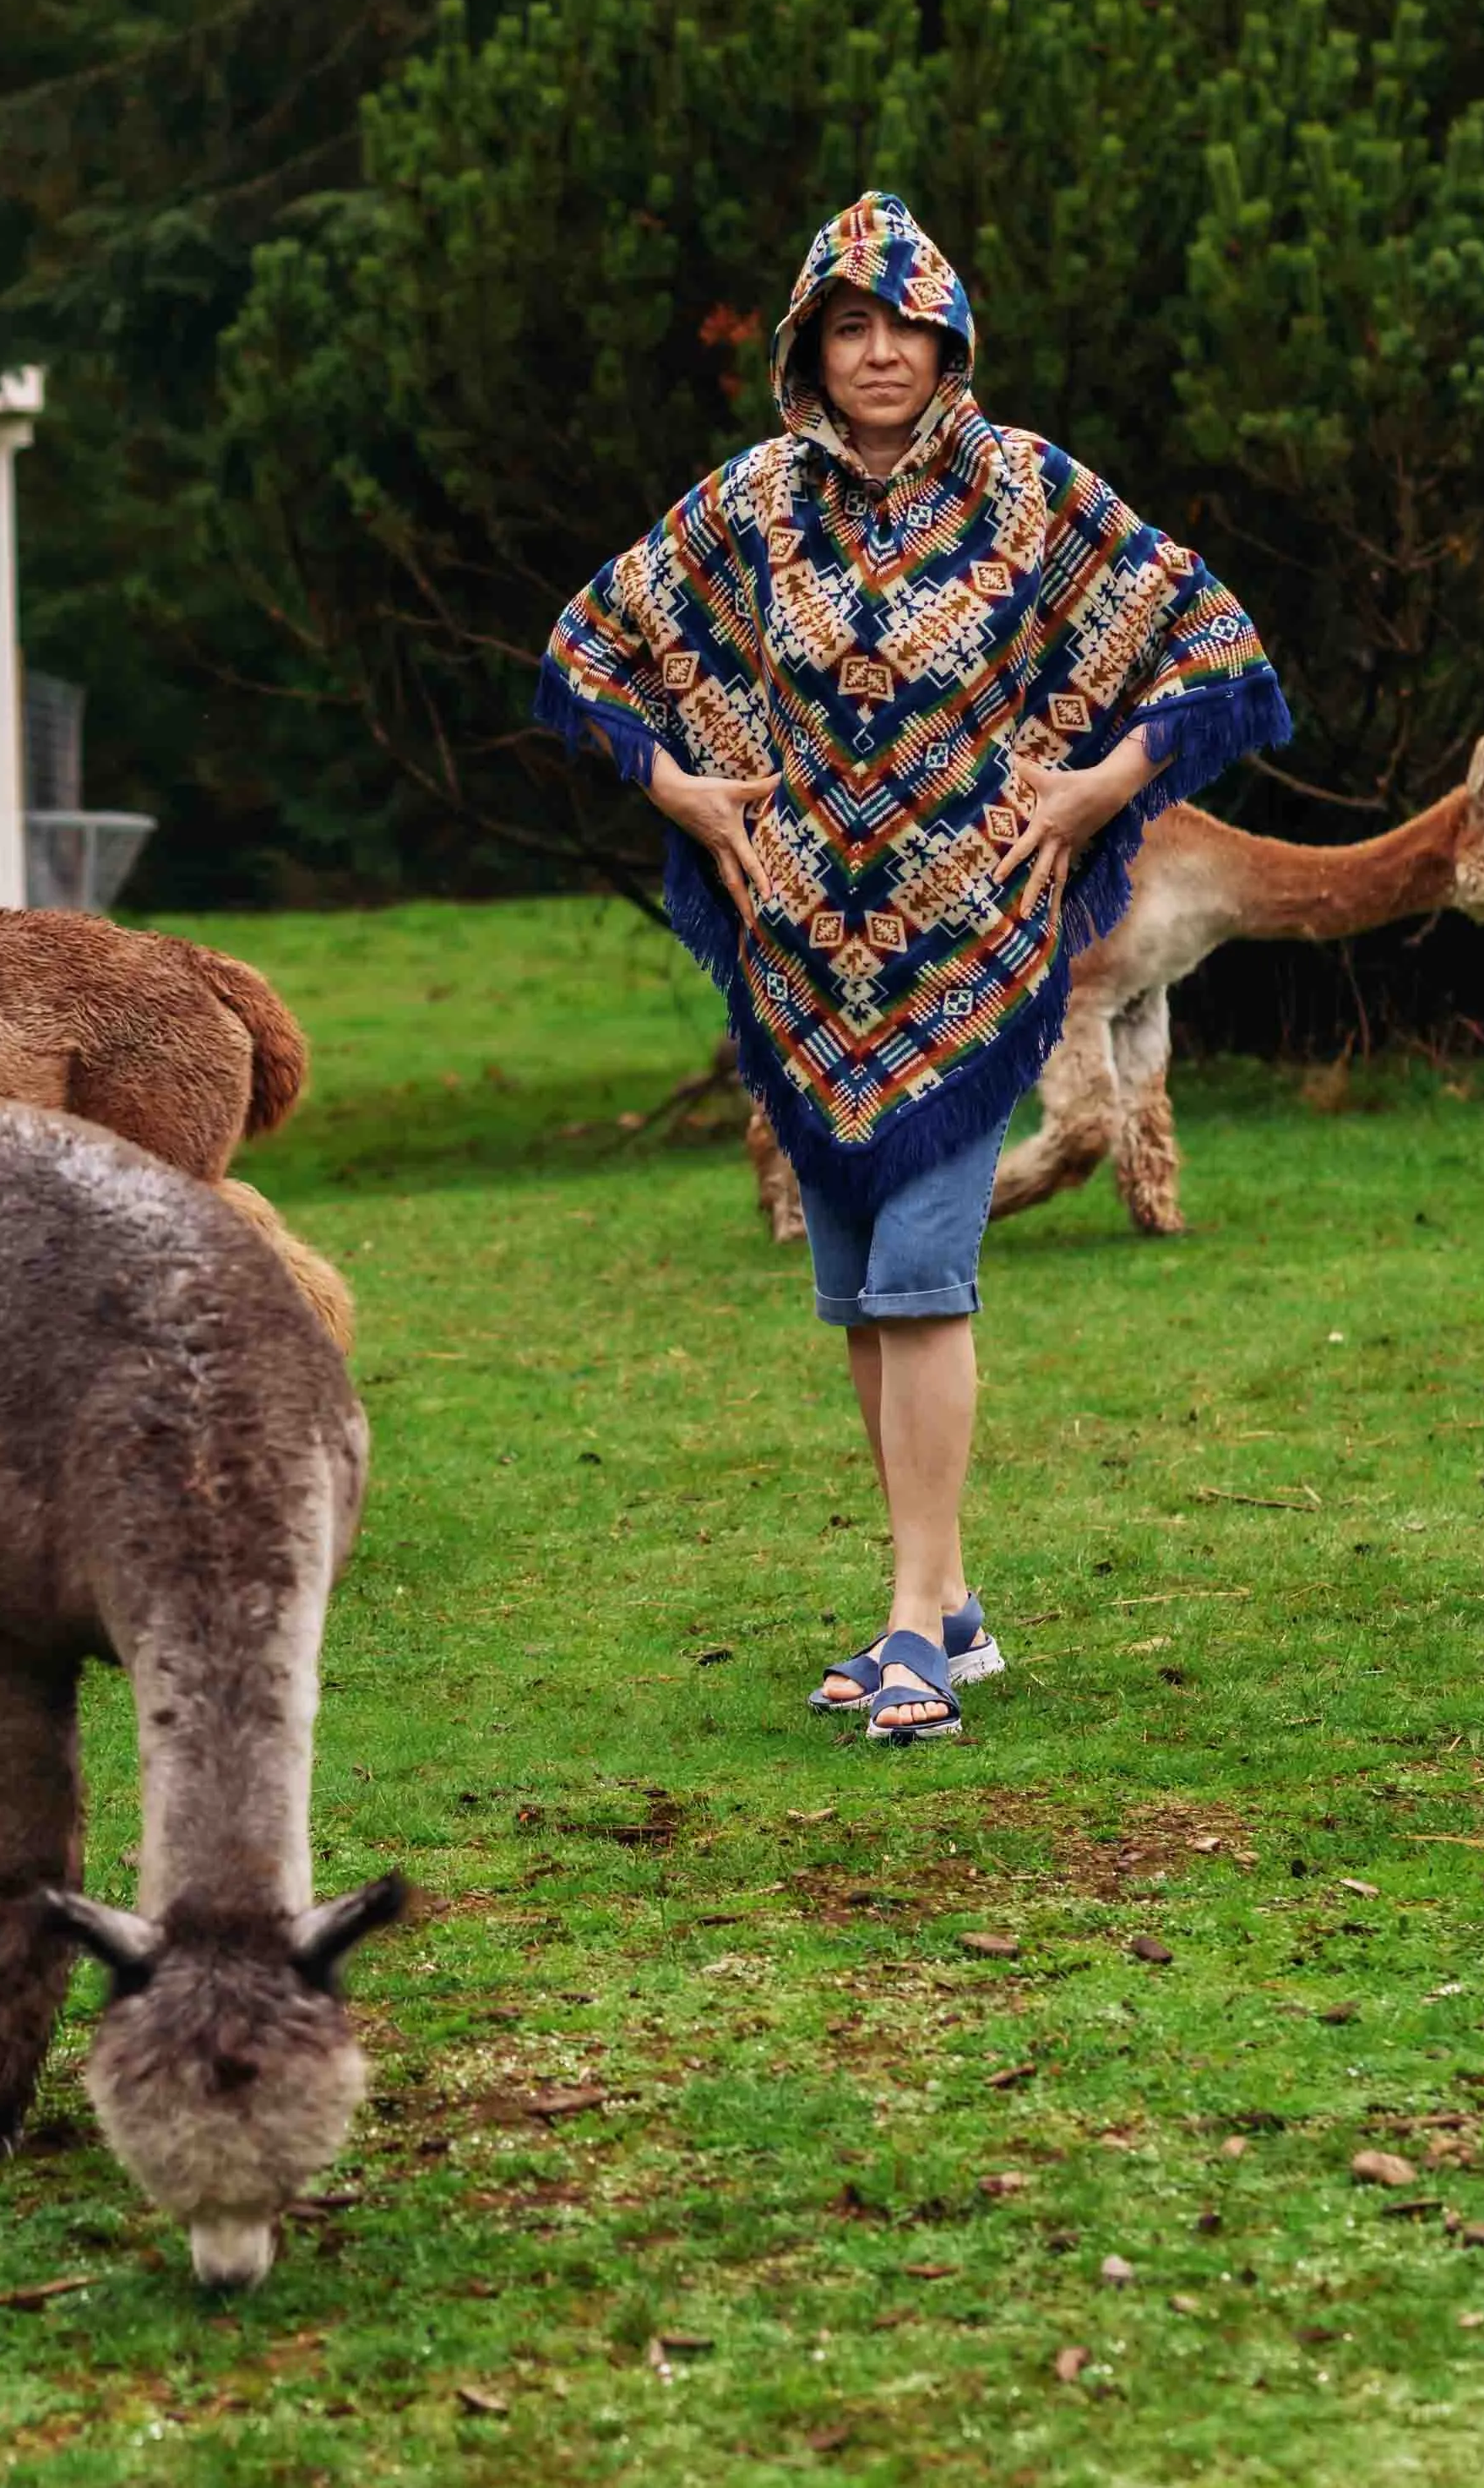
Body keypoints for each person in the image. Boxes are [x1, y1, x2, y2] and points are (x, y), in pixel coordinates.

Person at [537, 193, 1286, 1743]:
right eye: (848, 328)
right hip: (806, 963)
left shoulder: (1026, 491)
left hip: (976, 949)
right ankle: (946, 1600)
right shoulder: (748, 505)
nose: (881, 354)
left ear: (951, 340)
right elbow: (593, 647)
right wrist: (676, 787)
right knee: (865, 1304)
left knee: (928, 1283)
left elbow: (1210, 638)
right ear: (810, 347)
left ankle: (909, 1636)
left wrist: (1097, 790)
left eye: (907, 327)